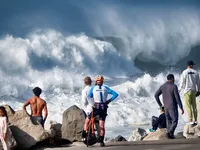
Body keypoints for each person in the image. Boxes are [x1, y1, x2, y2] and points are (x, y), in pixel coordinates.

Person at [88, 75, 118, 146]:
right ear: (102, 81)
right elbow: (115, 94)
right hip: (104, 107)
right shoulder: (106, 88)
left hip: (97, 107)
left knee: (88, 119)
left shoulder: (93, 88)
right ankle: (101, 141)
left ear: (96, 81)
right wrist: (108, 100)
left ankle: (85, 133)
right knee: (102, 124)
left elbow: (90, 96)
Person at [155, 74, 184, 139]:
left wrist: (160, 106)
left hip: (166, 107)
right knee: (175, 120)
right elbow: (177, 98)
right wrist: (181, 107)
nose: (174, 80)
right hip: (172, 107)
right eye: (174, 79)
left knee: (169, 121)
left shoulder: (162, 86)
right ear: (172, 79)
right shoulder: (174, 86)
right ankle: (169, 132)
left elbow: (156, 95)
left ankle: (170, 135)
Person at [179, 60, 200, 125]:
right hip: (193, 91)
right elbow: (198, 83)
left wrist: (179, 90)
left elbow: (182, 83)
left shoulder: (184, 72)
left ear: (187, 65)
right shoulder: (196, 72)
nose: (193, 66)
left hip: (187, 91)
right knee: (194, 106)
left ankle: (191, 120)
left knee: (188, 106)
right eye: (192, 65)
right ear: (191, 65)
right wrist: (199, 90)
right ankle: (196, 120)